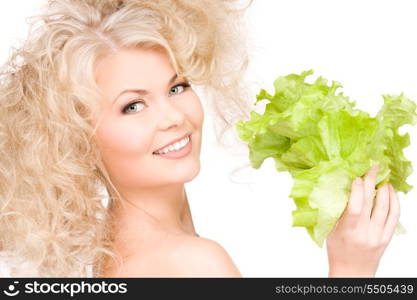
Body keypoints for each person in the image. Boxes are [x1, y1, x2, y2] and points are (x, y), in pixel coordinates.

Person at [0, 0, 400, 278]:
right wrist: (352, 269)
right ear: (75, 141)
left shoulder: (122, 251)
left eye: (177, 87)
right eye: (133, 106)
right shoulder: (190, 262)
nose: (175, 117)